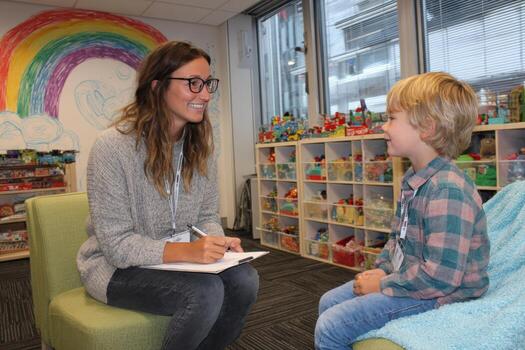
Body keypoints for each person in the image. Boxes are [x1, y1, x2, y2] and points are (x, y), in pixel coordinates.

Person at [77, 41, 259, 350]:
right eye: (193, 84)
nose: (205, 95)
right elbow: (118, 247)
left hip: (176, 263)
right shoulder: (112, 148)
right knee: (204, 293)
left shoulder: (201, 148)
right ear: (157, 86)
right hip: (115, 269)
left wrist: (217, 242)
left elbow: (206, 217)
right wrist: (189, 252)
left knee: (245, 280)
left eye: (208, 84)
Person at [315, 72, 490, 349]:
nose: (383, 127)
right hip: (411, 280)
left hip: (443, 295)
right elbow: (398, 240)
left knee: (331, 325)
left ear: (427, 128)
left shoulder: (448, 190)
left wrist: (384, 286)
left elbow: (441, 279)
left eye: (391, 118)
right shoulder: (413, 179)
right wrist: (384, 272)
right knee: (328, 301)